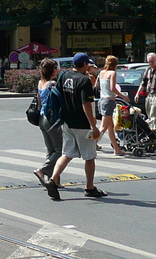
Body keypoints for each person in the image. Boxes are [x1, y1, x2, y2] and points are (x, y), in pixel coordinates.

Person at [49, 53, 106, 199]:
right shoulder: (84, 81)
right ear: (85, 64)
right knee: (90, 156)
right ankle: (89, 187)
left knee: (67, 154)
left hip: (67, 122)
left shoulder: (63, 75)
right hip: (82, 124)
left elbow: (58, 93)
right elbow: (86, 104)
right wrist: (93, 125)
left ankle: (53, 180)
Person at [32, 58, 63, 201]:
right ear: (52, 70)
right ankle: (42, 170)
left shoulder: (40, 83)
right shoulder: (52, 84)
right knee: (59, 150)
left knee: (50, 150)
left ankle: (54, 180)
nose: (58, 70)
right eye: (56, 68)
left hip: (41, 118)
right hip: (51, 119)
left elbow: (39, 102)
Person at [95, 56, 128, 156]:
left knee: (110, 127)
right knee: (103, 127)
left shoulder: (101, 73)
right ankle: (90, 145)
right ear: (115, 64)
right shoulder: (113, 73)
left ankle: (117, 150)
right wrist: (123, 96)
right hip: (109, 101)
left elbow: (96, 85)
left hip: (101, 100)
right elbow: (113, 88)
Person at [135, 53, 156, 131]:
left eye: (152, 61)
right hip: (149, 95)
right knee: (151, 116)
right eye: (149, 61)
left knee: (154, 115)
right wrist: (137, 94)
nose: (151, 63)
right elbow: (143, 83)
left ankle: (154, 132)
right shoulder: (147, 70)